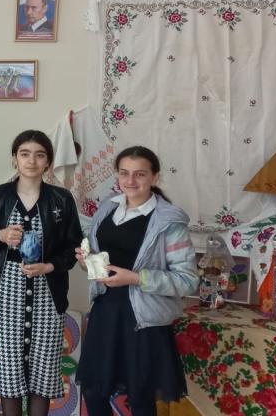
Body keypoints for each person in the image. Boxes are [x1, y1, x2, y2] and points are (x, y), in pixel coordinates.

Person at [74, 146, 198, 416]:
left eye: (140, 174)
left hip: (143, 320)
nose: (130, 181)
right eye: (124, 173)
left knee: (140, 398)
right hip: (106, 312)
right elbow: (100, 261)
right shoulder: (108, 209)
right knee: (94, 392)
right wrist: (87, 262)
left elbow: (187, 281)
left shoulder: (169, 222)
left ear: (155, 177)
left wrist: (135, 278)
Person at [0, 131, 82, 416]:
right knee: (9, 374)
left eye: (39, 155)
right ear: (14, 159)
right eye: (24, 154)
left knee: (43, 375)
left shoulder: (61, 199)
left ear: (48, 162)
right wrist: (0, 235)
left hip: (49, 295)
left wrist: (50, 266)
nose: (31, 161)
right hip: (8, 295)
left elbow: (74, 247)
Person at [257, 232, 276, 319]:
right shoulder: (269, 251)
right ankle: (269, 310)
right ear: (272, 241)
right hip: (270, 274)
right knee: (270, 288)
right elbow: (263, 261)